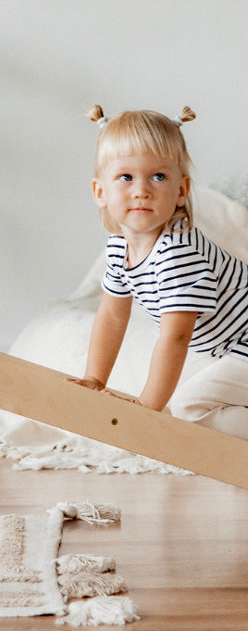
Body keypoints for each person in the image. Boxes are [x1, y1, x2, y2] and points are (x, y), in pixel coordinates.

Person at [67, 105, 248, 438]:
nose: (141, 189)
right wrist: (94, 379)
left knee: (187, 409)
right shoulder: (119, 246)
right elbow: (111, 316)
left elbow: (176, 337)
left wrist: (146, 409)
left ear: (180, 191)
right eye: (126, 177)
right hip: (230, 346)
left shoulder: (177, 254)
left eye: (158, 176)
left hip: (243, 342)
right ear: (100, 192)